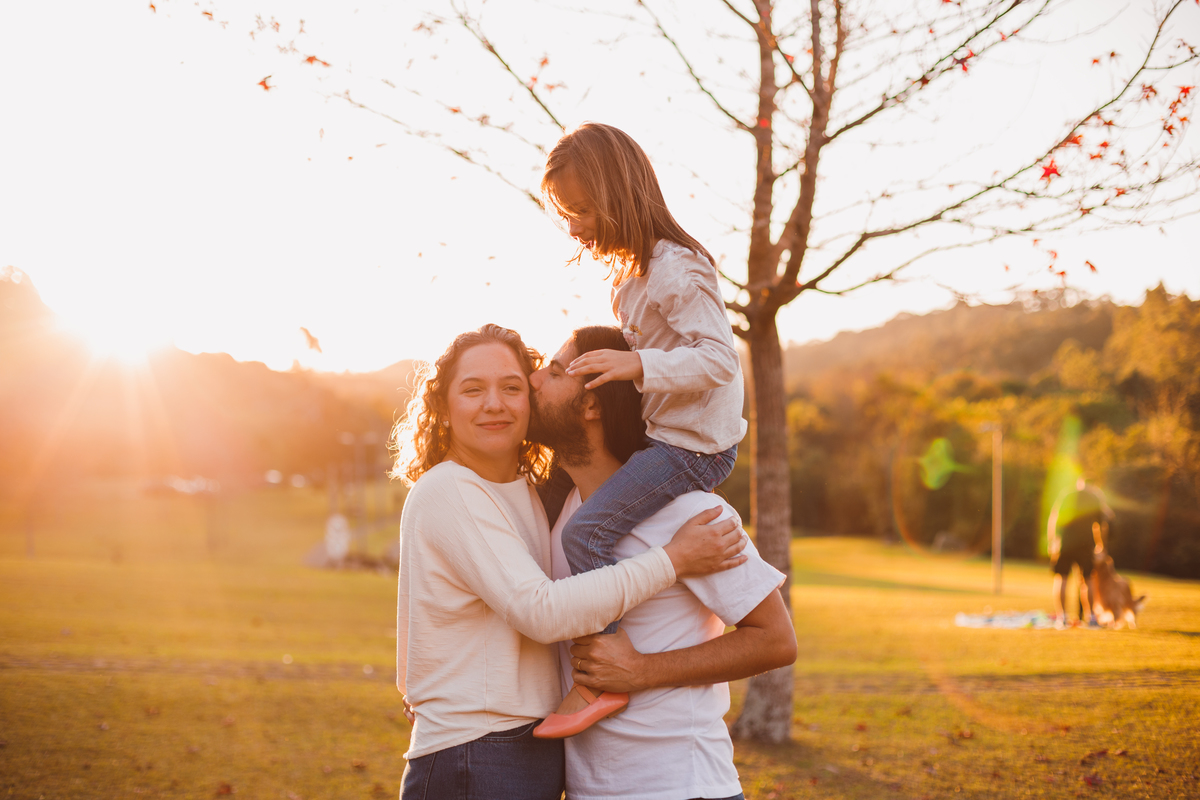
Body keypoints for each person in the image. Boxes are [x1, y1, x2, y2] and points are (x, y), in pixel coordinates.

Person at [391, 323, 749, 800]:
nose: (494, 403)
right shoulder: (448, 488)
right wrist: (673, 560)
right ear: (444, 406)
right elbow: (542, 611)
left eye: (513, 387)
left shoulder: (539, 500)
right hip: (475, 752)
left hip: (531, 748)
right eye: (472, 389)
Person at [536, 122, 747, 735]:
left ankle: (600, 677)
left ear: (618, 193)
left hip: (695, 447)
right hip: (665, 431)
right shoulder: (631, 278)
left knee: (586, 535)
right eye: (566, 213)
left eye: (581, 210)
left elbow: (718, 360)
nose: (574, 227)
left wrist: (637, 363)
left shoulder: (679, 270)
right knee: (555, 496)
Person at [528, 325, 796, 800]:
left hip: (681, 785)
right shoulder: (558, 514)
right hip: (589, 789)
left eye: (552, 372)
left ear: (592, 403)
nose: (533, 382)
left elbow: (776, 641)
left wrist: (643, 671)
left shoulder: (689, 511)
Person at [1047, 478, 1115, 628]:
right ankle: (1090, 618)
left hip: (1066, 543)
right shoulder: (1094, 497)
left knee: (1062, 579)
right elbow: (1101, 525)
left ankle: (1062, 617)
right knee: (1088, 580)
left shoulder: (1068, 495)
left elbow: (1055, 519)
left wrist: (1053, 541)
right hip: (1085, 544)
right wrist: (1102, 547)